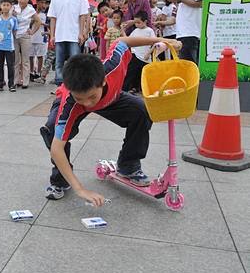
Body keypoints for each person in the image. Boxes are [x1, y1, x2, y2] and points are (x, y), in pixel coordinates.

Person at [40, 35, 182, 203]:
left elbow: (124, 41)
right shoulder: (71, 103)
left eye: (91, 97)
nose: (87, 103)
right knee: (51, 130)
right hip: (74, 108)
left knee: (142, 111)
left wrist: (161, 40)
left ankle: (128, 166)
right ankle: (60, 180)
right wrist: (80, 189)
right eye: (80, 98)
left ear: (103, 81)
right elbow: (57, 148)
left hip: (111, 99)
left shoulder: (114, 64)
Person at [48, 0, 89, 86]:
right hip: (60, 35)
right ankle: (60, 85)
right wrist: (52, 35)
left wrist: (81, 33)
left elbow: (82, 16)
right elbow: (53, 18)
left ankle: (75, 84)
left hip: (74, 34)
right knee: (59, 62)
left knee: (75, 61)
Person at [122, 11, 156, 94]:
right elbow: (128, 40)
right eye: (135, 22)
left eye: (138, 22)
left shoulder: (149, 31)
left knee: (144, 74)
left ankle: (144, 89)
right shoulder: (135, 31)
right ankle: (127, 89)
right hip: (135, 55)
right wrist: (123, 30)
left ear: (145, 22)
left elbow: (155, 43)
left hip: (145, 56)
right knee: (131, 72)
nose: (136, 24)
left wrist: (149, 53)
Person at [13, 0, 41, 88]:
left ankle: (25, 81)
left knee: (25, 59)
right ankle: (15, 80)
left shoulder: (30, 9)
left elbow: (38, 21)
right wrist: (12, 15)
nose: (22, 1)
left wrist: (32, 31)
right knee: (16, 59)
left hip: (25, 35)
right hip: (14, 35)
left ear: (28, 0)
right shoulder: (14, 8)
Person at [0, 0, 18, 92]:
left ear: (11, 7)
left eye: (7, 5)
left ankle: (11, 84)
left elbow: (15, 33)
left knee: (11, 66)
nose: (5, 7)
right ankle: (0, 84)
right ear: (1, 7)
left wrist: (16, 46)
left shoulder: (13, 20)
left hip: (10, 47)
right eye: (4, 5)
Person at [29, 0, 48, 80]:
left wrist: (42, 23)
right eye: (41, 2)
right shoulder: (31, 13)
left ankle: (39, 73)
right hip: (31, 37)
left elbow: (50, 25)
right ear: (37, 3)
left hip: (41, 37)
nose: (43, 5)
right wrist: (33, 20)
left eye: (45, 3)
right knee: (31, 56)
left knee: (40, 56)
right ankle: (31, 72)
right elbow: (28, 24)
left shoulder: (46, 14)